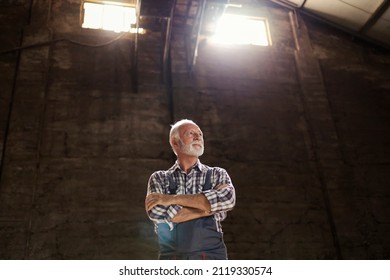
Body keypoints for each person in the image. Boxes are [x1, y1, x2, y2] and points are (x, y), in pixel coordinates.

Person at [145, 119, 236, 260]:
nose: (198, 137)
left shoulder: (217, 174)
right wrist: (208, 208)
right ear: (175, 142)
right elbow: (157, 213)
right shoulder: (159, 178)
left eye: (200, 134)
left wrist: (170, 199)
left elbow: (227, 200)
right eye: (191, 133)